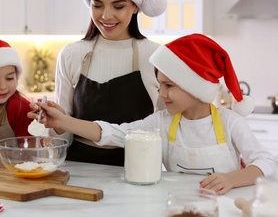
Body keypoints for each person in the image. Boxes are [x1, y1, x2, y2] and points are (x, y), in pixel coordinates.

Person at [30, 33, 277, 195]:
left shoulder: (229, 122)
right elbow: (116, 133)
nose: (163, 93)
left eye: (170, 86)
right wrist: (64, 121)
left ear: (194, 85)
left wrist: (232, 179)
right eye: (160, 85)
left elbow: (266, 162)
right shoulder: (161, 122)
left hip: (225, 206)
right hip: (178, 206)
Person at [52, 0, 167, 166]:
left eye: (118, 6)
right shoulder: (71, 54)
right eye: (97, 5)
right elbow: (61, 136)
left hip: (139, 169)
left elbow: (164, 128)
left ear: (135, 7)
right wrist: (55, 124)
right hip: (79, 171)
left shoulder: (156, 56)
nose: (106, 16)